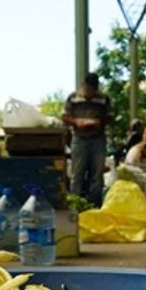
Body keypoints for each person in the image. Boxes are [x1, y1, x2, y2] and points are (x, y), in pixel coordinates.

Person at [62, 73, 111, 207]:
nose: (90, 94)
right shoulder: (73, 97)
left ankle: (95, 204)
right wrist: (76, 122)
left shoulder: (103, 98)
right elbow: (65, 116)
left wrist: (99, 122)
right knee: (77, 173)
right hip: (79, 138)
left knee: (97, 175)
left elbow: (110, 116)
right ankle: (75, 204)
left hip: (98, 139)